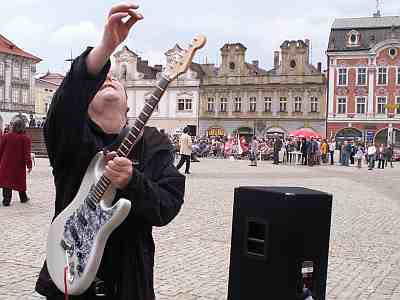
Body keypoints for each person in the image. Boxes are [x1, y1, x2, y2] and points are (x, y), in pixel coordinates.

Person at [35, 3, 185, 299]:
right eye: (101, 79)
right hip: (68, 273)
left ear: (128, 106)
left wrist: (133, 181)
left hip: (128, 284)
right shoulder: (72, 137)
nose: (109, 78)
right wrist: (106, 47)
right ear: (84, 103)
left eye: (115, 79)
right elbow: (66, 102)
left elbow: (167, 205)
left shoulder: (153, 143)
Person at [0, 118, 32, 206]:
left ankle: (6, 200)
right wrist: (29, 165)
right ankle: (23, 198)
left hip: (6, 163)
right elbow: (27, 154)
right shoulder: (25, 139)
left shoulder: (6, 136)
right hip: (18, 165)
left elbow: (0, 149)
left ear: (13, 126)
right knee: (20, 181)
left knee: (7, 182)